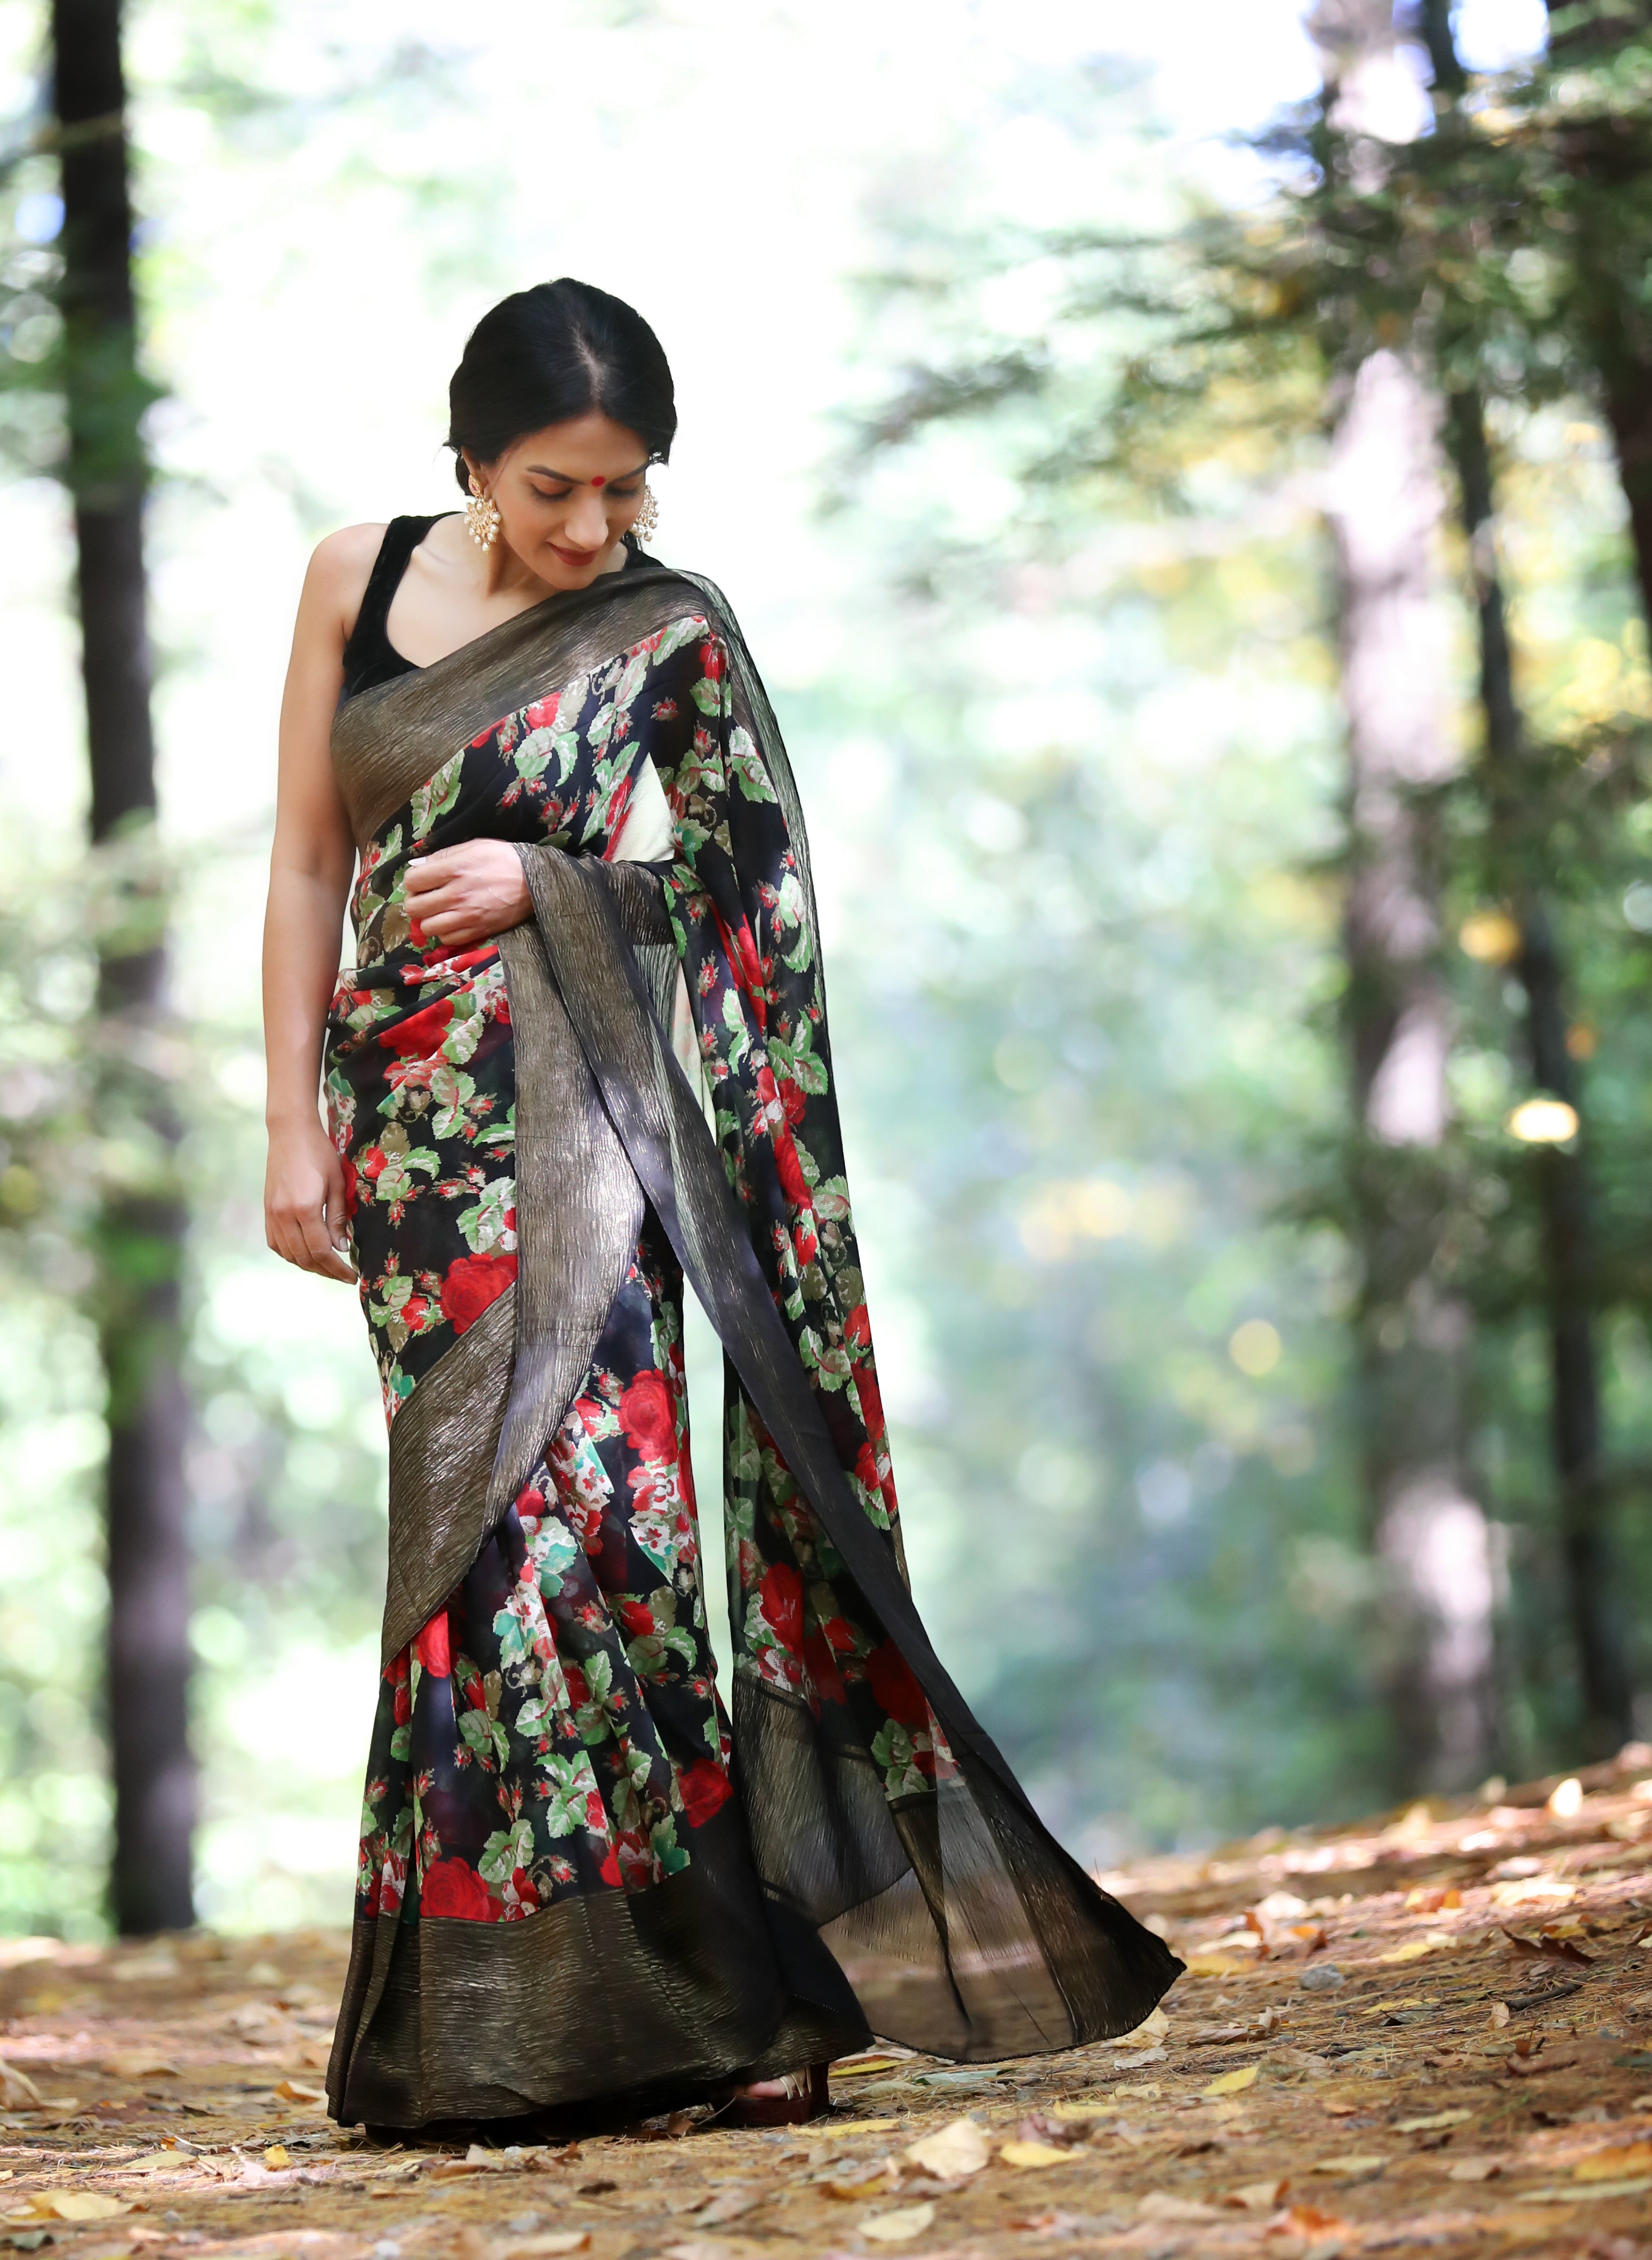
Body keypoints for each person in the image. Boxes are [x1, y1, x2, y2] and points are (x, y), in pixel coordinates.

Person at [262, 278, 1178, 2138]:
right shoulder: (355, 578)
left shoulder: (666, 628)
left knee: (600, 1530)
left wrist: (553, 881)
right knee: (464, 1552)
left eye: (628, 489)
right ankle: (493, 2032)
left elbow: (758, 889)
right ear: (469, 459)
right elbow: (301, 864)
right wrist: (290, 1127)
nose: (592, 526)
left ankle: (700, 2004)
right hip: (412, 1135)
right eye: (554, 488)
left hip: (590, 1124)